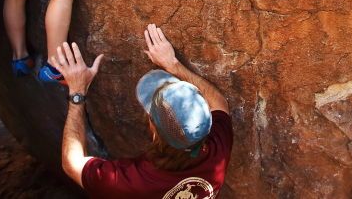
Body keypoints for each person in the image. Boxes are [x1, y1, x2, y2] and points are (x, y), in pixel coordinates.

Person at [54, 24, 233, 199]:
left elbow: (72, 164)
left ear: (154, 131)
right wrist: (173, 64)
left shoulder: (132, 184)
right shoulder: (217, 152)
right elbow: (219, 103)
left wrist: (77, 92)